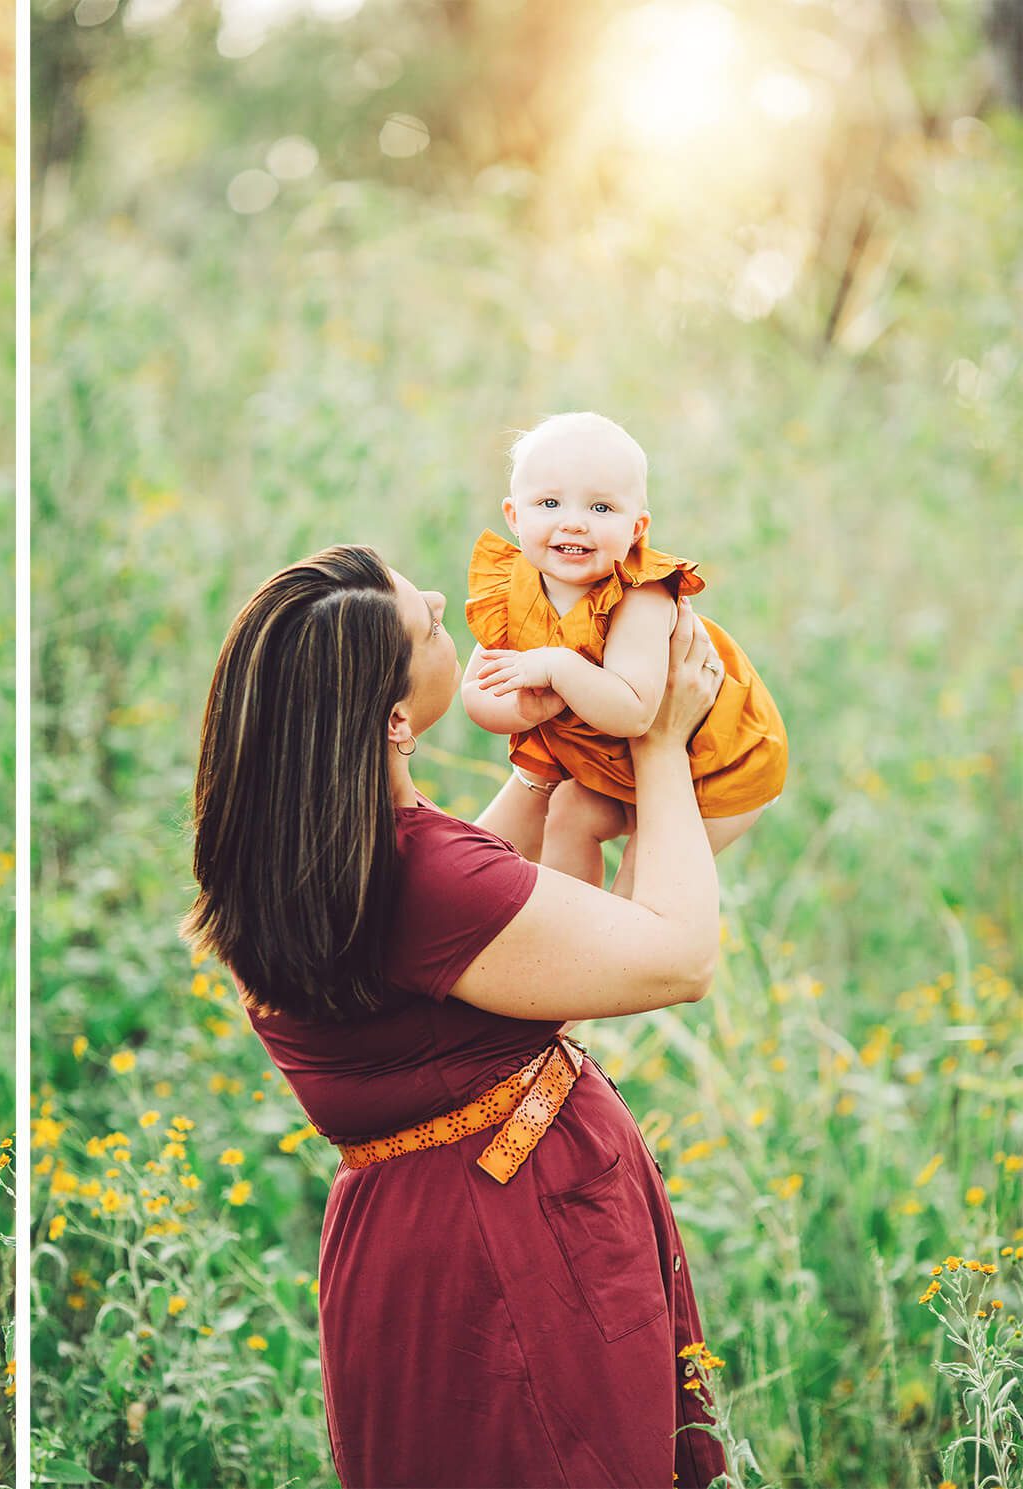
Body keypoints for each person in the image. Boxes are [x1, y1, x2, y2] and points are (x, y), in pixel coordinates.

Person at [182, 543, 730, 1489]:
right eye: (428, 622)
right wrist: (658, 739)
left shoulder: (298, 859)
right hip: (512, 1248)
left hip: (418, 1239)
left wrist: (544, 757)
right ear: (395, 719)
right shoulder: (426, 884)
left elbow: (486, 910)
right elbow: (682, 958)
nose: (444, 601)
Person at [462, 411, 786, 893]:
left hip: (718, 769)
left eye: (601, 509)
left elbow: (634, 712)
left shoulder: (640, 597)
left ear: (637, 527)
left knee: (641, 885)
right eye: (549, 503)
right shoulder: (513, 585)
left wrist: (557, 666)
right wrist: (523, 708)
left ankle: (613, 942)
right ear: (514, 516)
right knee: (567, 815)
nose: (573, 523)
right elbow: (477, 691)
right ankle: (565, 927)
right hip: (624, 765)